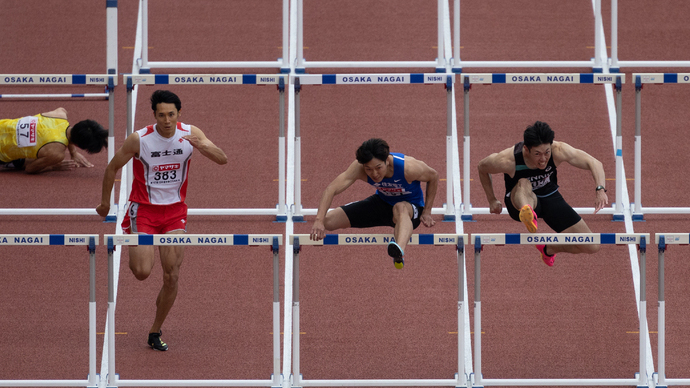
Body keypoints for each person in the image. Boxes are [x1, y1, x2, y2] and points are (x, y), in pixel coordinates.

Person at [96, 90, 227, 351]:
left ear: (179, 114)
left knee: (171, 276)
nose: (166, 120)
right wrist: (105, 203)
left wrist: (202, 146)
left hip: (175, 213)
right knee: (142, 272)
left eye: (171, 114)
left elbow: (222, 159)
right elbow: (112, 167)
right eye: (161, 115)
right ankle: (140, 253)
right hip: (143, 211)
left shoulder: (190, 133)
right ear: (154, 115)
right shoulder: (140, 139)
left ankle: (155, 330)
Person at [477, 121, 609, 267]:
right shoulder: (508, 159)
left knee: (591, 245)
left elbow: (594, 163)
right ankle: (527, 213)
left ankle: (549, 248)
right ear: (526, 149)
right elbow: (482, 167)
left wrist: (600, 190)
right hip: (519, 200)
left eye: (547, 152)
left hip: (549, 197)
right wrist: (492, 200)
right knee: (524, 182)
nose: (543, 159)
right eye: (538, 154)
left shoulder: (558, 150)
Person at [310, 138, 439, 269]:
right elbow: (331, 189)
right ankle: (398, 240)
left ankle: (398, 250)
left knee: (400, 208)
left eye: (378, 168)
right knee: (329, 222)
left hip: (410, 209)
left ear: (387, 161)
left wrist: (427, 211)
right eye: (369, 169)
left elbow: (433, 176)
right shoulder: (359, 167)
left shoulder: (408, 168)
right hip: (382, 202)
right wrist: (319, 220)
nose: (374, 174)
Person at [0, 108, 107, 173]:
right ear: (80, 146)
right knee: (27, 161)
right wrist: (53, 166)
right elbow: (30, 169)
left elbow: (68, 131)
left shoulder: (60, 114)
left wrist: (73, 152)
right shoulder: (57, 154)